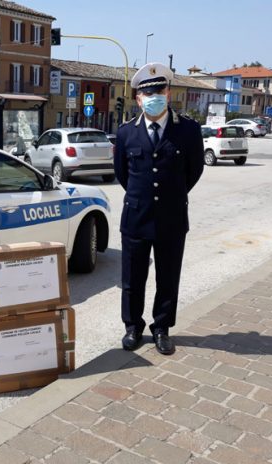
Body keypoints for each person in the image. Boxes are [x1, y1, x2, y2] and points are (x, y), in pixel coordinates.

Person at [114, 63, 204, 355]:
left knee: (168, 278)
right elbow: (123, 174)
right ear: (138, 99)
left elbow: (194, 171)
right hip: (136, 217)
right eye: (147, 93)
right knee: (132, 278)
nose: (154, 97)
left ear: (168, 94)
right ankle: (133, 327)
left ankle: (162, 328)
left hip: (172, 218)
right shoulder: (126, 132)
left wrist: (172, 196)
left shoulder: (188, 130)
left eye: (159, 91)